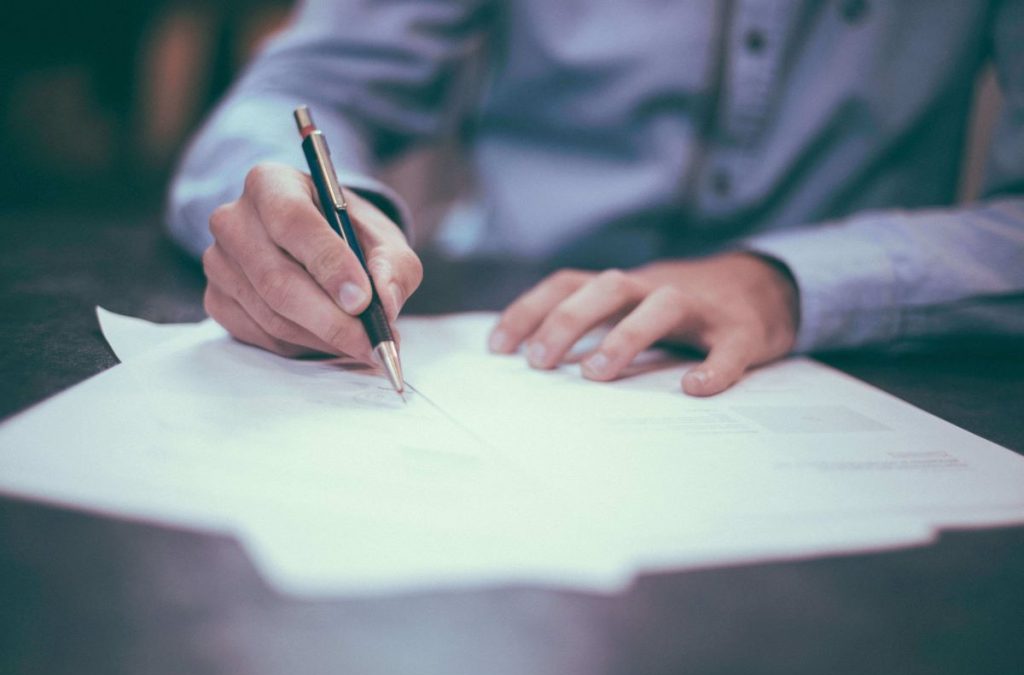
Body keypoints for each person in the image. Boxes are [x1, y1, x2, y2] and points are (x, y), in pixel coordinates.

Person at [167, 0, 1024, 397]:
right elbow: (300, 88)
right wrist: (311, 217)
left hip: (870, 366)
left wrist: (787, 281)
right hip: (508, 333)